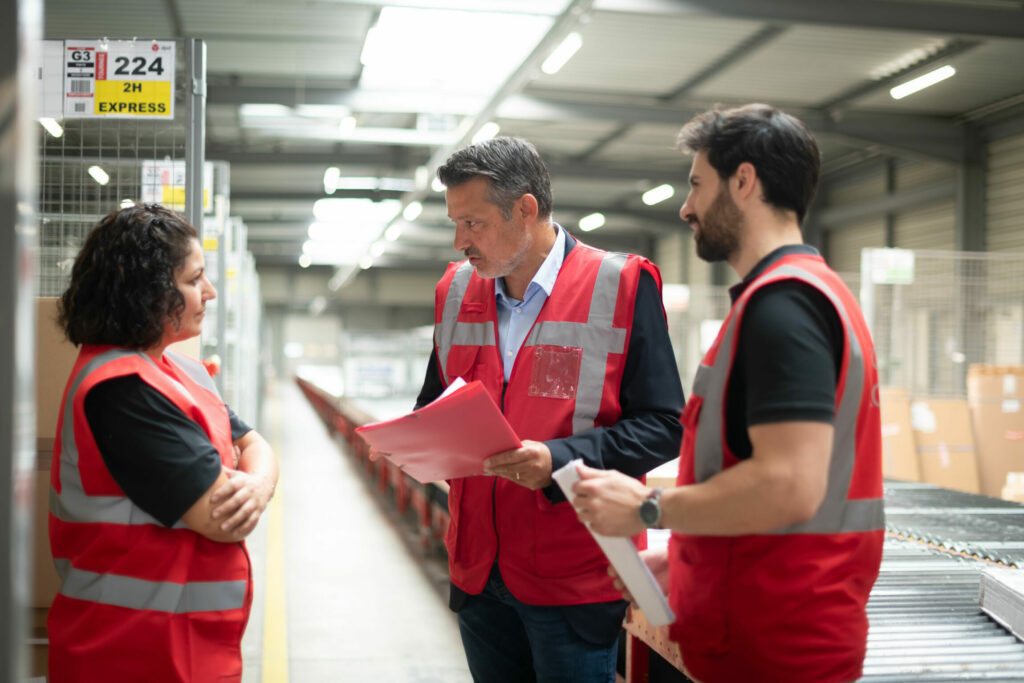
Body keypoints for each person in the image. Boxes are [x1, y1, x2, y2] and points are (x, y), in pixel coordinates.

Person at [569, 104, 884, 682]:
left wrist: (648, 508)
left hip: (776, 643)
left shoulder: (782, 308)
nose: (686, 208)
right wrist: (688, 558)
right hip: (778, 622)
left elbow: (789, 484)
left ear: (744, 181)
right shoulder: (811, 295)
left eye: (696, 184)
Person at [398, 136, 684, 681]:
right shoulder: (456, 292)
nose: (460, 241)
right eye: (455, 223)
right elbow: (433, 402)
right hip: (478, 571)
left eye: (473, 223)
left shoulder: (619, 285)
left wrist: (557, 460)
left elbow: (664, 427)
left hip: (573, 575)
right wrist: (412, 439)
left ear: (525, 210)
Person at [48, 204, 279, 682]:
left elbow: (255, 442)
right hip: (127, 652)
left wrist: (257, 484)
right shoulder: (120, 390)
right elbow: (221, 520)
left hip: (180, 643)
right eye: (195, 280)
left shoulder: (179, 370)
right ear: (149, 292)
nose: (209, 293)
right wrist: (257, 483)